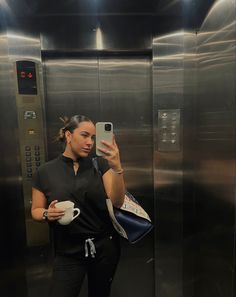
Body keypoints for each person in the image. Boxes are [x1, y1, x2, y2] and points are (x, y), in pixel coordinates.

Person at [31, 115, 125, 297]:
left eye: (93, 138)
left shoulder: (100, 165)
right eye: (84, 135)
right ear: (68, 135)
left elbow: (117, 201)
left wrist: (117, 167)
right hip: (68, 251)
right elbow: (35, 210)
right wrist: (46, 214)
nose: (89, 142)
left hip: (104, 248)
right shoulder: (45, 171)